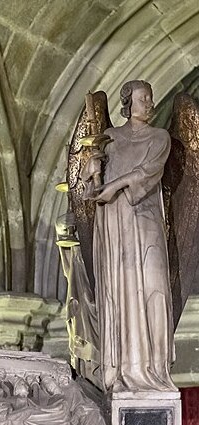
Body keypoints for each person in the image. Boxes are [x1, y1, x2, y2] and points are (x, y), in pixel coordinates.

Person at [86, 79, 177, 392]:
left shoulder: (159, 137)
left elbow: (148, 173)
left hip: (146, 223)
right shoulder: (109, 138)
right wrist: (93, 168)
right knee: (123, 293)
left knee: (156, 291)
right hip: (116, 228)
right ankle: (126, 372)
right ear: (128, 104)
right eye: (143, 99)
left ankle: (154, 372)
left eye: (150, 98)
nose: (149, 104)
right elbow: (93, 192)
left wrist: (115, 185)